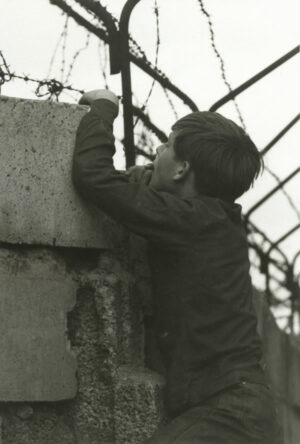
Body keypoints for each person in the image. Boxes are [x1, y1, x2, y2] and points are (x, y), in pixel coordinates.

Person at [72, 89, 282, 443]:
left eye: (167, 145)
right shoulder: (209, 219)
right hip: (237, 407)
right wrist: (146, 176)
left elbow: (94, 178)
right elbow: (134, 191)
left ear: (183, 168)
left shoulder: (193, 221)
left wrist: (103, 108)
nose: (156, 151)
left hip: (231, 412)